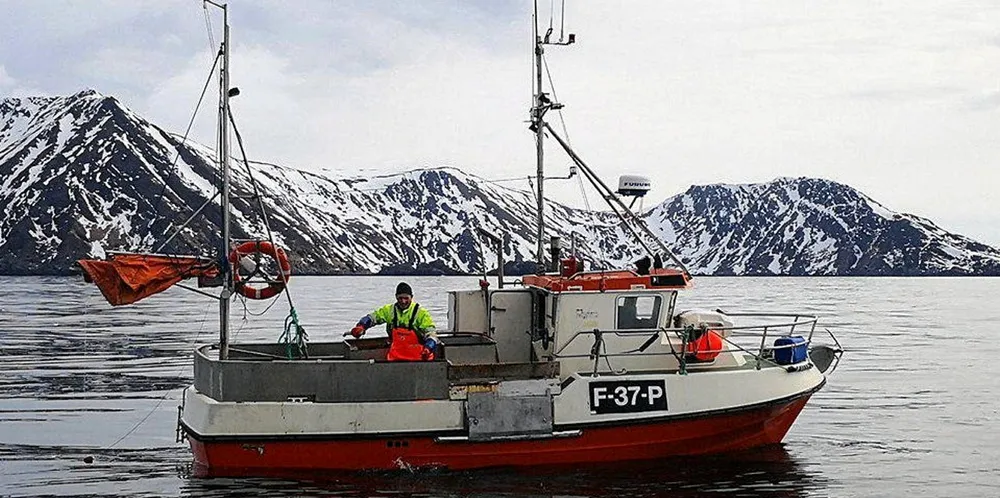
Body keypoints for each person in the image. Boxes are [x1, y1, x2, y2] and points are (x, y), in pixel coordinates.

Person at [349, 282, 440, 361]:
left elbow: (431, 334)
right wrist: (361, 326)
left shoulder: (421, 313)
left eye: (406, 298)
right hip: (395, 357)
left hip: (419, 358)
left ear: (411, 297)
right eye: (400, 298)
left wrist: (429, 347)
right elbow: (372, 317)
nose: (403, 301)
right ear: (396, 297)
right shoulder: (389, 310)